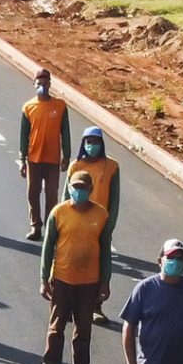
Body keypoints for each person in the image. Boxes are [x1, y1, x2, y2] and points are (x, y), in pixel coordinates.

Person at [40, 170, 113, 364]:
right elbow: (48, 247)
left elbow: (105, 251)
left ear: (90, 190)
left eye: (83, 188)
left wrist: (105, 281)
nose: (78, 191)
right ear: (69, 187)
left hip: (89, 282)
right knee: (56, 327)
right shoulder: (59, 212)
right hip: (62, 279)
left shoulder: (101, 215)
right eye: (75, 187)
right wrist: (44, 278)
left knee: (84, 329)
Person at [68, 125, 121, 321]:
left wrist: (109, 226)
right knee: (74, 261)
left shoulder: (112, 167)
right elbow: (67, 198)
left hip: (100, 226)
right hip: (76, 223)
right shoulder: (76, 167)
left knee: (99, 266)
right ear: (83, 144)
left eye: (96, 142)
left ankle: (96, 306)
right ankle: (72, 303)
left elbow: (114, 200)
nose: (93, 145)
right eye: (89, 142)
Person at [18, 68, 71, 240]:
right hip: (34, 159)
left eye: (45, 82)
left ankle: (50, 227)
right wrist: (22, 159)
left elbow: (65, 132)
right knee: (32, 194)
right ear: (34, 84)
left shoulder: (60, 106)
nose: (42, 86)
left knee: (51, 195)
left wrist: (67, 155)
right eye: (39, 83)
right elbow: (23, 136)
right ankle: (36, 226)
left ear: (50, 84)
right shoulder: (28, 107)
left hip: (53, 159)